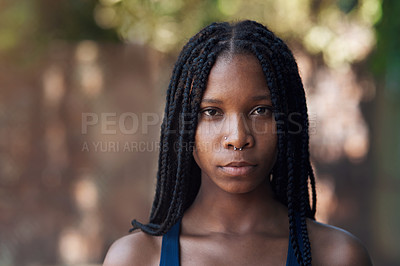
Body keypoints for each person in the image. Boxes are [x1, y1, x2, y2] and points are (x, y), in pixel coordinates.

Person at [103, 20, 372, 266]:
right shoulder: (136, 258)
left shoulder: (336, 256)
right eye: (211, 112)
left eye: (261, 110)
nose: (238, 138)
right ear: (184, 127)